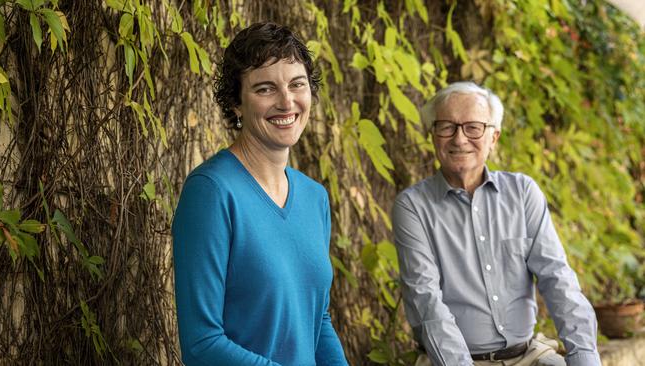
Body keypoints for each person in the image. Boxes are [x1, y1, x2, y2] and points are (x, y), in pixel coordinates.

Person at [172, 22, 348, 366]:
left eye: (297, 84)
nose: (286, 102)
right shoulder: (211, 193)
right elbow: (201, 344)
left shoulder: (315, 198)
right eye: (265, 89)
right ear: (236, 103)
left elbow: (317, 321)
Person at [392, 81, 601, 366]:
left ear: (494, 137)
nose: (460, 139)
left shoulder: (523, 192)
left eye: (473, 127)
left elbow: (558, 279)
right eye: (446, 127)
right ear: (433, 136)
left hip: (529, 355)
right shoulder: (412, 206)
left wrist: (585, 358)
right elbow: (426, 301)